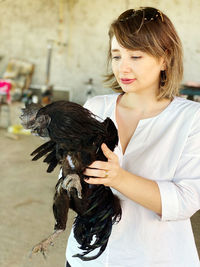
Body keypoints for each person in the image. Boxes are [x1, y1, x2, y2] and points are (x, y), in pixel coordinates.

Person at [65, 7, 200, 267]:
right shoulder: (95, 107)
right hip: (86, 257)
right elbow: (71, 182)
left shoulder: (191, 118)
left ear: (165, 58)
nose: (123, 67)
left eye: (136, 56)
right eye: (116, 56)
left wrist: (118, 178)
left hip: (155, 258)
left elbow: (185, 200)